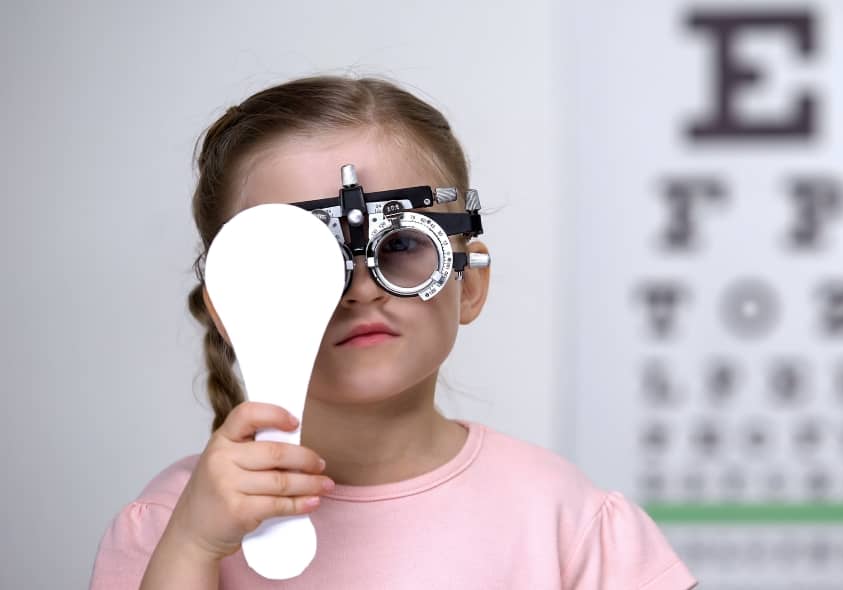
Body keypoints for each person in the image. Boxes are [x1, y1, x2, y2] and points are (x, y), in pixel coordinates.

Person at [89, 75, 697, 589]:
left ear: (471, 282)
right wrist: (194, 547)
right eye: (300, 264)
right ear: (235, 311)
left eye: (402, 245)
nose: (359, 289)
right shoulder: (172, 527)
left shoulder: (565, 520)